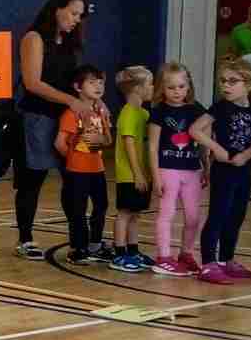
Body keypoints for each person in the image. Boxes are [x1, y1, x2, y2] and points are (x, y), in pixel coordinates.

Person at [14, 0, 89, 259]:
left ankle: (79, 239)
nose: (76, 20)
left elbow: (76, 80)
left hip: (65, 120)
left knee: (73, 178)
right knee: (32, 179)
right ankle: (26, 238)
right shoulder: (34, 38)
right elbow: (33, 83)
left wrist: (91, 100)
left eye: (80, 15)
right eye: (73, 13)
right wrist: (71, 100)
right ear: (57, 9)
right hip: (38, 118)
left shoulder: (69, 42)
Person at [192, 59, 251, 283]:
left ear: (249, 84)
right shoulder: (220, 107)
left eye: (233, 81)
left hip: (244, 170)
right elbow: (194, 130)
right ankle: (208, 264)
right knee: (218, 215)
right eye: (223, 81)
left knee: (237, 216)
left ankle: (226, 260)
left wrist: (246, 155)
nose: (226, 86)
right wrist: (217, 149)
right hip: (223, 171)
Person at [147, 62, 207, 278]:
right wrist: (156, 176)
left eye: (181, 86)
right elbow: (152, 145)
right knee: (167, 213)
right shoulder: (159, 111)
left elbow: (202, 142)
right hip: (167, 169)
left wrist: (206, 167)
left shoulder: (197, 109)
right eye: (171, 87)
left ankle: (186, 253)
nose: (177, 92)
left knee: (193, 216)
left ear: (188, 86)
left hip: (192, 170)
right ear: (162, 88)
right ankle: (163, 257)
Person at [55, 65, 113, 265]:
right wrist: (72, 158)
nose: (98, 86)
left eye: (101, 82)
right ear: (78, 87)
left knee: (101, 206)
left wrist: (101, 135)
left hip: (97, 170)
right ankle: (77, 247)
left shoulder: (100, 112)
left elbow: (107, 140)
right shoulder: (72, 114)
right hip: (77, 171)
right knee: (78, 211)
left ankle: (95, 244)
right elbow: (59, 143)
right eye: (92, 82)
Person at [109, 66, 156, 273]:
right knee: (125, 213)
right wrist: (137, 173)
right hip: (129, 174)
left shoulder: (143, 113)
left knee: (136, 214)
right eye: (150, 84)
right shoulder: (128, 114)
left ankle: (133, 250)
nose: (153, 87)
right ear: (137, 88)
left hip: (142, 173)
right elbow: (129, 144)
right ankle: (118, 254)